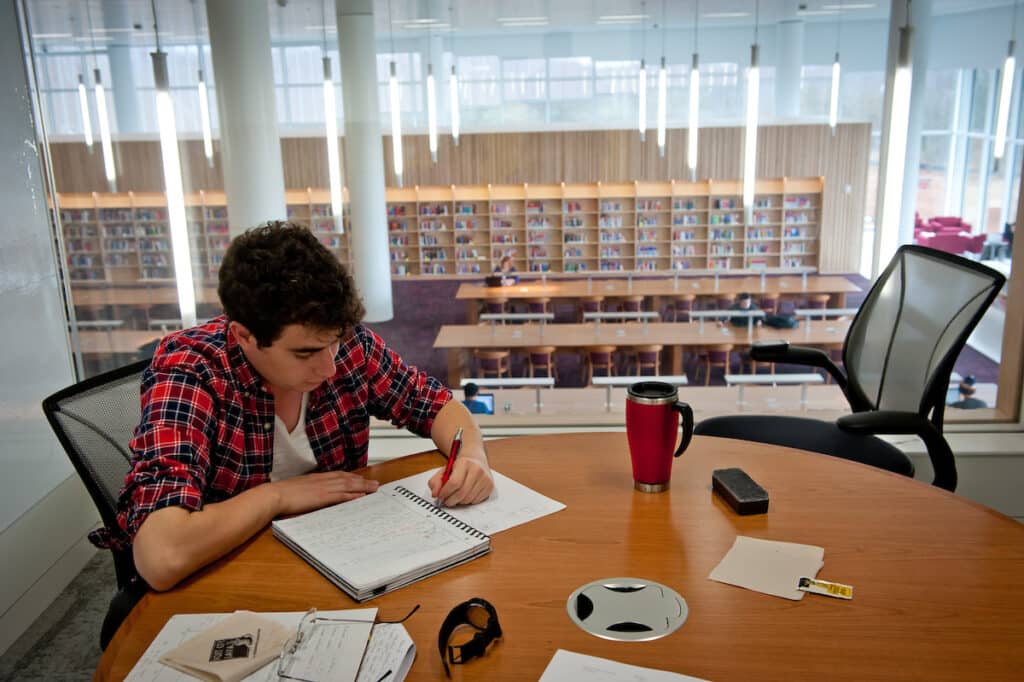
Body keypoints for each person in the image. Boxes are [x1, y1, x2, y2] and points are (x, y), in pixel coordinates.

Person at [91, 221, 494, 591]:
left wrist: (473, 458)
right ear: (245, 336)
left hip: (343, 555)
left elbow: (436, 405)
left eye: (334, 342)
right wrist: (276, 497)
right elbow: (163, 556)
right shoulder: (190, 371)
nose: (330, 364)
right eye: (305, 353)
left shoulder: (344, 343)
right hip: (232, 575)